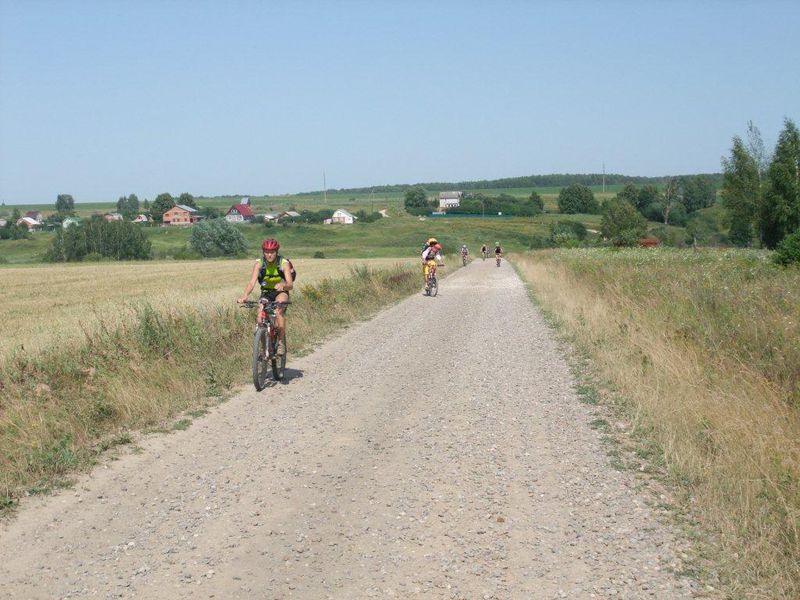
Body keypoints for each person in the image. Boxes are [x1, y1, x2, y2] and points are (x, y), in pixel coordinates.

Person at [238, 238, 293, 355]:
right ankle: (264, 348)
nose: (269, 255)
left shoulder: (284, 263)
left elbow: (290, 284)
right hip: (266, 293)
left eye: (272, 252)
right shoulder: (259, 264)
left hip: (281, 292)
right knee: (260, 318)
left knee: (278, 311)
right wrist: (245, 296)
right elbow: (252, 283)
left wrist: (283, 285)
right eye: (267, 252)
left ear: (276, 252)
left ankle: (280, 343)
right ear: (263, 252)